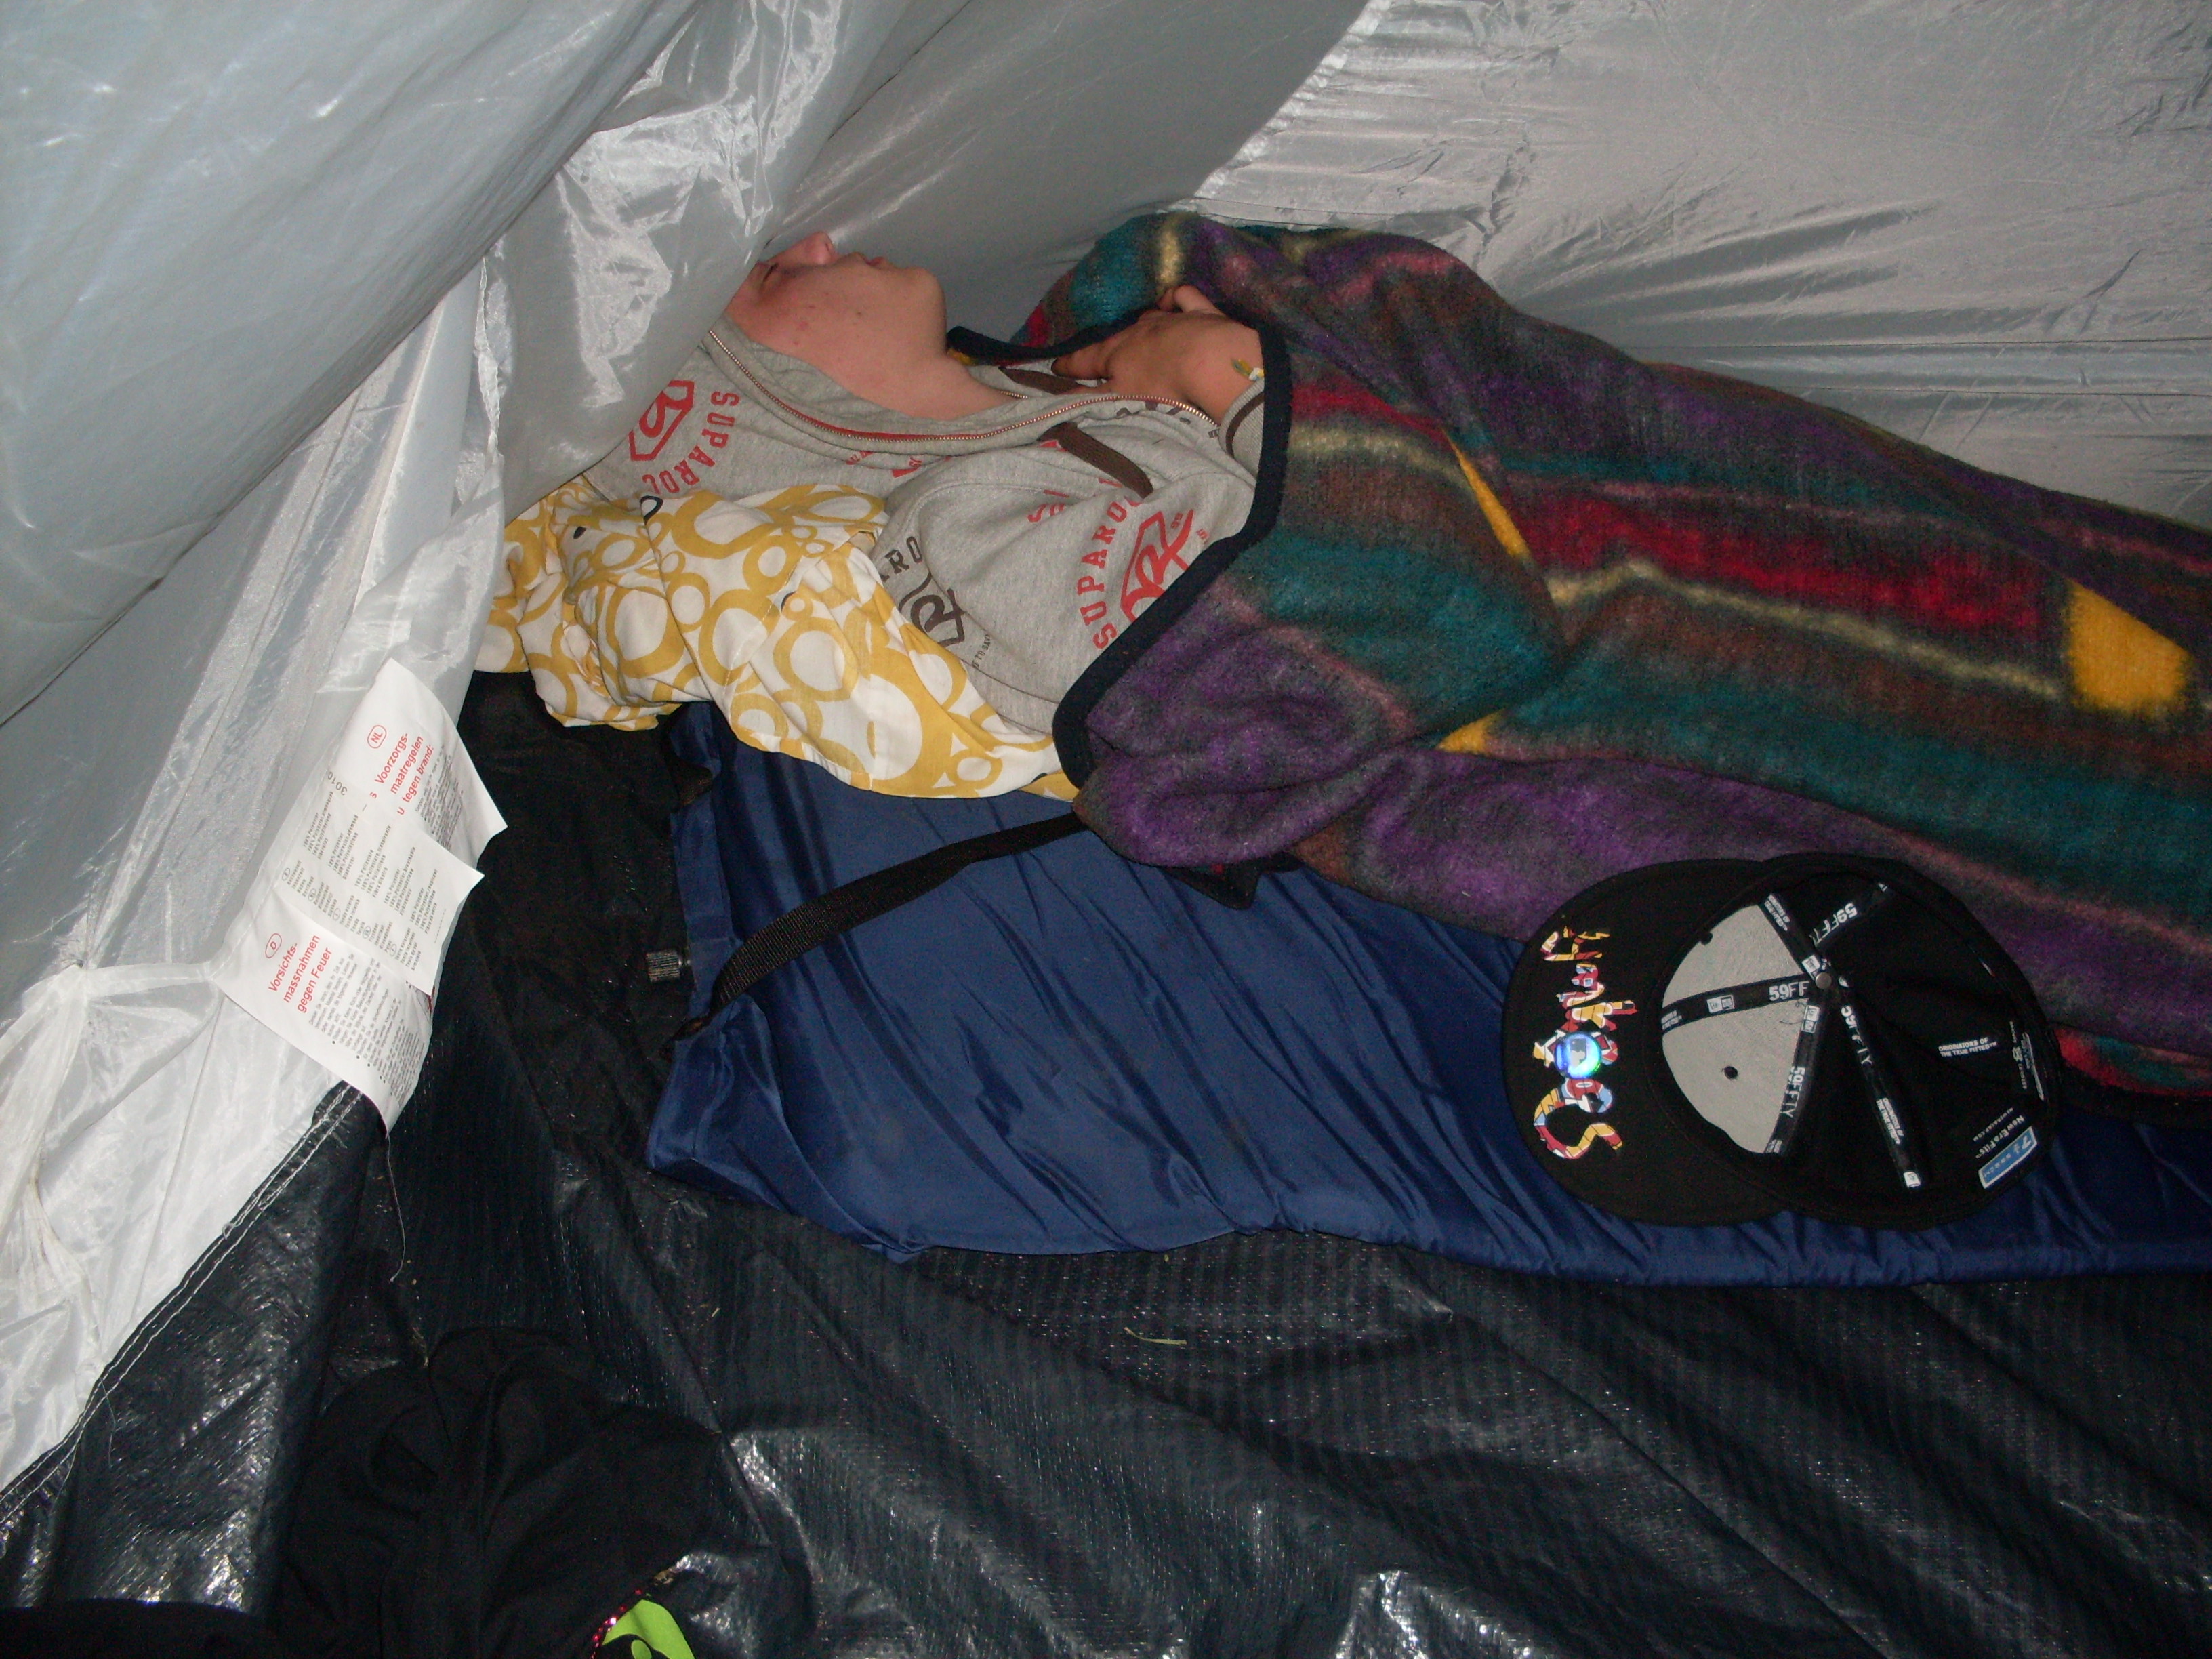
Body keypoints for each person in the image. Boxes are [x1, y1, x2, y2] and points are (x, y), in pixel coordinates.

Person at [586, 232, 1267, 734]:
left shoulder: (1063, 359)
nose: (818, 245)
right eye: (773, 276)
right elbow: (1265, 654)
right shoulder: (964, 530)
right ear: (768, 392)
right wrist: (1231, 378)